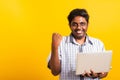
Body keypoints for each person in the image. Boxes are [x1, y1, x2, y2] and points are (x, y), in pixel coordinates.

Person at [47, 8, 108, 80]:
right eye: (74, 24)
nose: (79, 27)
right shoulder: (60, 43)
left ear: (87, 24)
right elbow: (55, 72)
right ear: (69, 25)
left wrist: (97, 75)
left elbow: (105, 73)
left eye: (82, 24)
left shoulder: (98, 44)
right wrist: (54, 46)